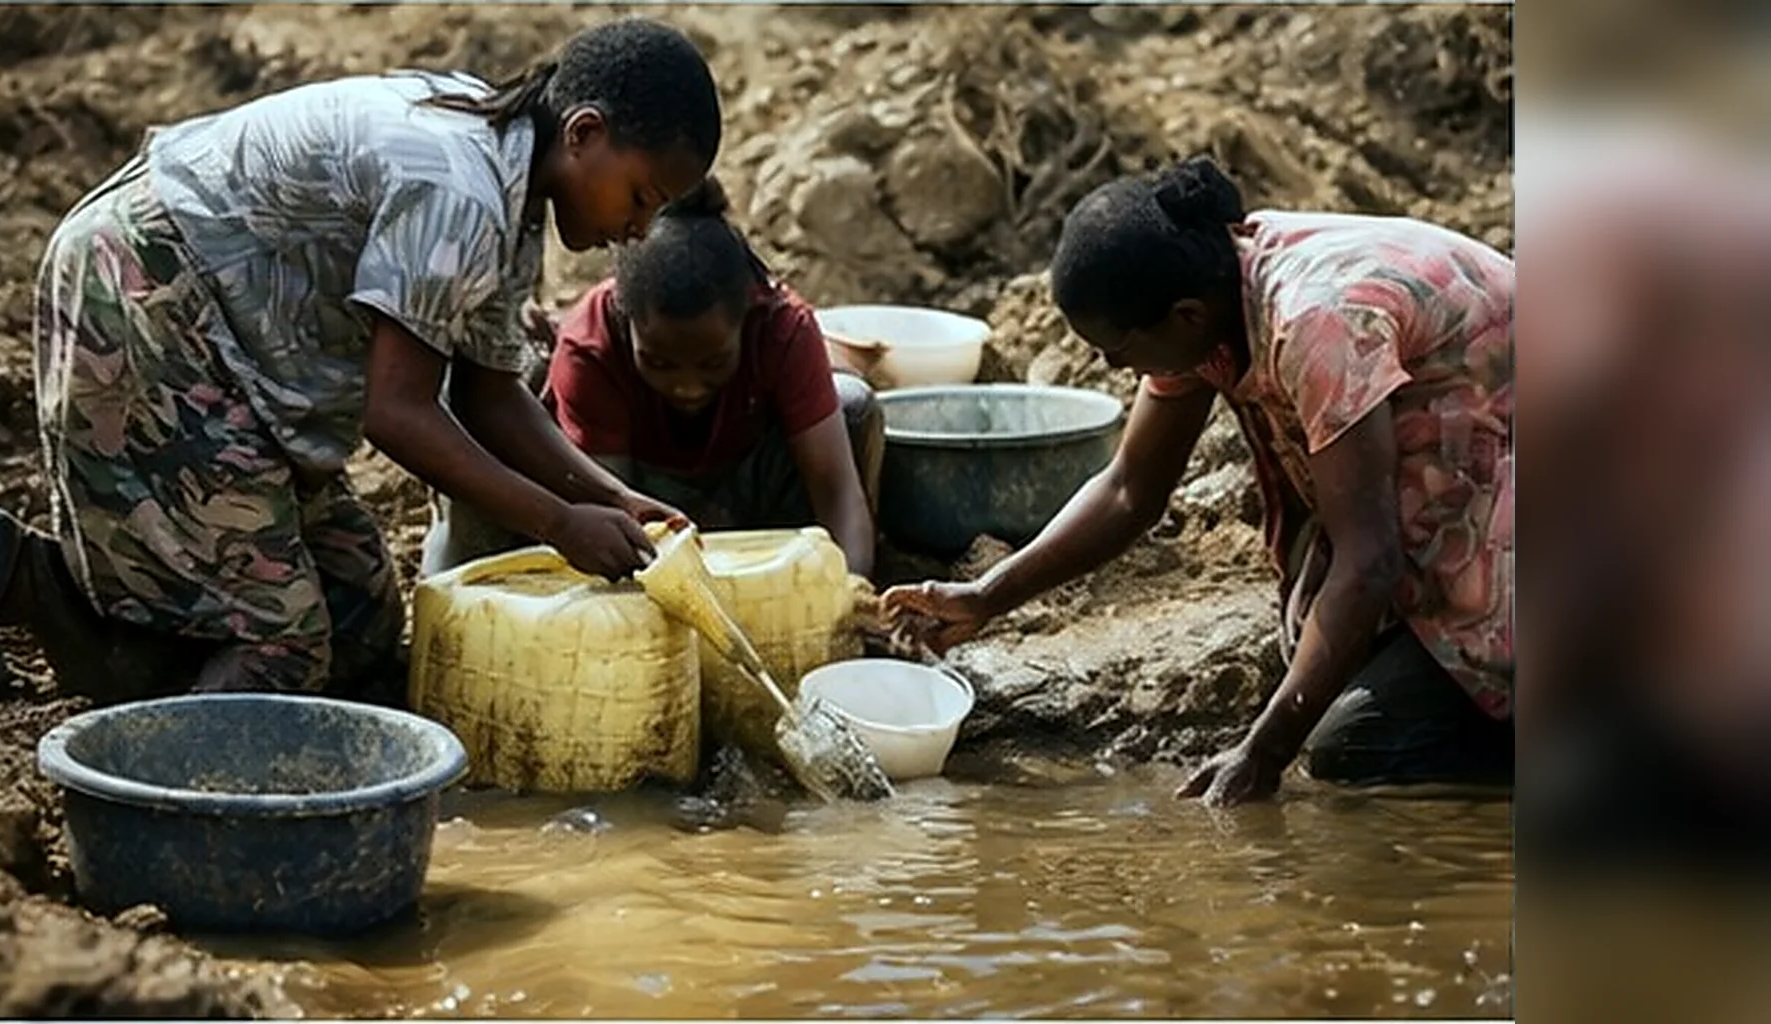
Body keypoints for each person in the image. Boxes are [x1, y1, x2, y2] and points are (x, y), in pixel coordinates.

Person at [0, 18, 721, 702]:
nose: (639, 228)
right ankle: (175, 790)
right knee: (284, 645)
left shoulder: (512, 183)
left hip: (238, 344)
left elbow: (489, 395)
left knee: (359, 620)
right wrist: (560, 523)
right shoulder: (459, 187)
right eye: (641, 197)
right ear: (585, 133)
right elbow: (398, 414)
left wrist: (614, 501)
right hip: (147, 300)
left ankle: (40, 593)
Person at [883, 156, 1514, 806]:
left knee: (1353, 748)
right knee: (1315, 649)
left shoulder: (1316, 323)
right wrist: (986, 596)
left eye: (1117, 349)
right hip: (1468, 473)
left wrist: (1262, 754)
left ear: (1183, 316)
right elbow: (1131, 488)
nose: (1113, 366)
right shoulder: (1210, 294)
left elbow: (1371, 560)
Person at [423, 178, 882, 577]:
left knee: (852, 407)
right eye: (660, 364)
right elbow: (613, 519)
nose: (688, 386)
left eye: (713, 364)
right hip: (636, 501)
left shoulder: (783, 328)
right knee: (480, 406)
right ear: (627, 324)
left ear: (748, 317)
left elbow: (836, 489)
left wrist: (850, 589)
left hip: (742, 499)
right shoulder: (592, 343)